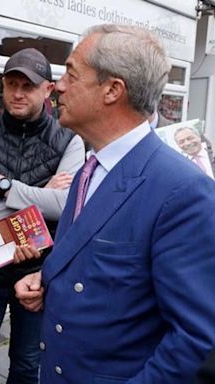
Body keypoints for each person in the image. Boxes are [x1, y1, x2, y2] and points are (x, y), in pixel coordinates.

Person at [14, 24, 215, 383]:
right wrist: (47, 280)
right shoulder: (87, 172)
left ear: (112, 90)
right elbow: (100, 268)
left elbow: (197, 340)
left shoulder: (182, 191)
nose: (58, 86)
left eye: (71, 74)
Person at [0, 48, 85, 383]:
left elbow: (69, 206)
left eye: (27, 86)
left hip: (39, 275)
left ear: (48, 90)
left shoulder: (69, 140)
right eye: (11, 83)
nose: (17, 93)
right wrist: (44, 197)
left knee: (27, 366)